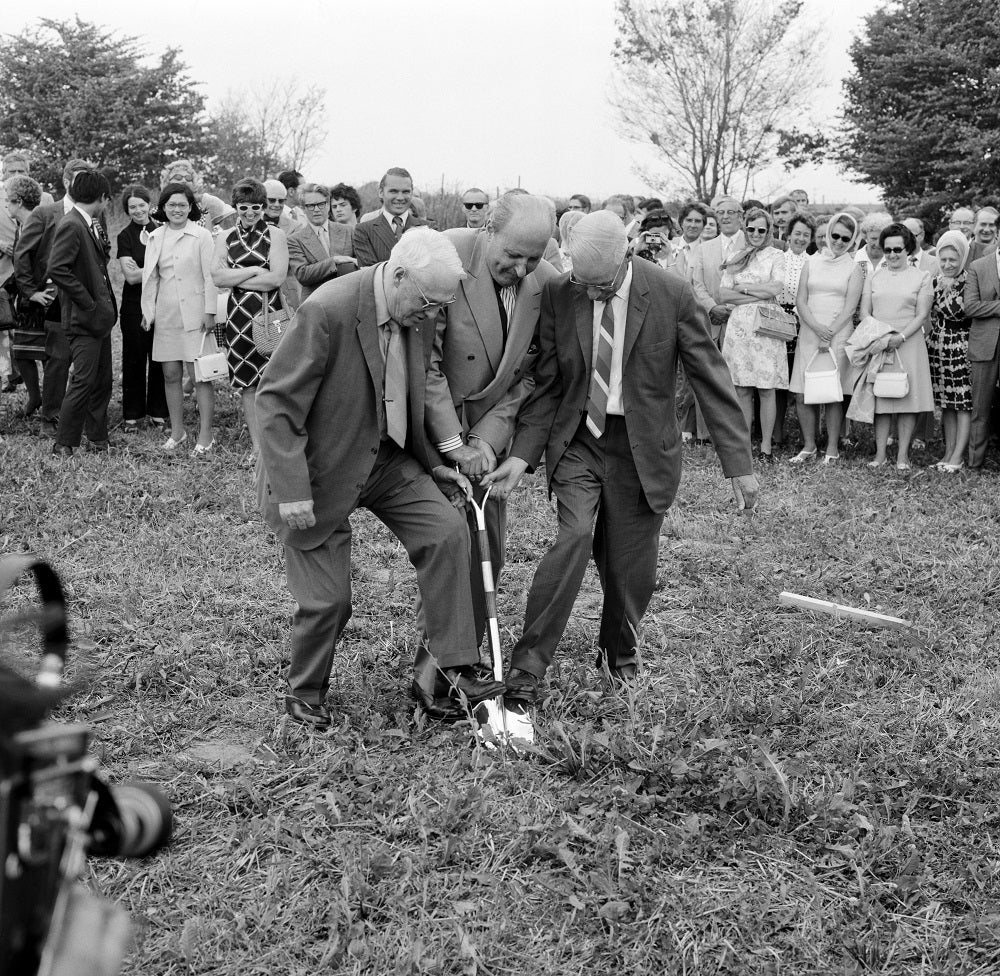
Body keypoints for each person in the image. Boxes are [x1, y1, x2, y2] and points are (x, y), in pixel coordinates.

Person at [480, 211, 757, 705]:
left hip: (641, 448)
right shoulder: (563, 294)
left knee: (630, 567)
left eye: (600, 286)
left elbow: (709, 377)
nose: (589, 295)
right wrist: (523, 456)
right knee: (574, 537)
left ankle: (618, 658)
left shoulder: (670, 293)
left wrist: (737, 462)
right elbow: (547, 385)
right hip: (578, 442)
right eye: (581, 284)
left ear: (626, 255)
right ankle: (526, 667)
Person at [254, 228, 505, 726]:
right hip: (319, 469)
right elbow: (275, 402)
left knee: (447, 531)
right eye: (429, 303)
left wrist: (436, 462)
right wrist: (292, 490)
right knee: (330, 600)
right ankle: (304, 692)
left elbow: (408, 392)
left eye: (441, 306)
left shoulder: (418, 309)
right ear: (400, 275)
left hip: (387, 459)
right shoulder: (328, 309)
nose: (433, 315)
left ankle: (447, 671)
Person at [417, 194, 558, 701]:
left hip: (488, 438)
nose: (520, 268)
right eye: (512, 255)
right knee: (451, 546)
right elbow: (423, 364)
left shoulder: (541, 284)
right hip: (432, 433)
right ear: (488, 229)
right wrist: (455, 444)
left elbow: (524, 377)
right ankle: (435, 672)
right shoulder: (447, 257)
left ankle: (458, 660)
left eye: (534, 258)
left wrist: (487, 440)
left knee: (487, 552)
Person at [211, 179, 290, 464]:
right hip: (238, 317)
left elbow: (277, 278)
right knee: (247, 383)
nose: (250, 213)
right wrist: (257, 268)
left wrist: (240, 276)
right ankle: (257, 446)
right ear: (235, 207)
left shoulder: (275, 234)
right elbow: (218, 278)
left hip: (269, 315)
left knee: (275, 379)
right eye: (244, 207)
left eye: (256, 207)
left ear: (263, 207)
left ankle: (277, 442)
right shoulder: (225, 237)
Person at [12, 158, 93, 435]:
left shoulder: (94, 213)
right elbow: (22, 254)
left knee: (83, 359)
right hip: (54, 299)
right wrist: (31, 292)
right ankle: (51, 418)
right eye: (78, 179)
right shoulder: (46, 213)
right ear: (67, 181)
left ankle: (80, 414)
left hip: (86, 298)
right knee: (57, 359)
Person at [141, 182, 218, 455]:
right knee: (170, 374)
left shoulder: (201, 236)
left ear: (191, 208)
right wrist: (148, 313)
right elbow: (151, 279)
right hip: (166, 315)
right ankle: (178, 432)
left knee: (199, 377)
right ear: (163, 208)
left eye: (182, 205)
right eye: (171, 205)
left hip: (197, 316)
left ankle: (206, 435)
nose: (177, 209)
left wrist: (210, 311)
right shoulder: (155, 236)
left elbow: (211, 276)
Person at [47, 170, 117, 458]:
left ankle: (98, 438)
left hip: (99, 319)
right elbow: (57, 269)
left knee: (102, 380)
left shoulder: (90, 222)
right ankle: (63, 443)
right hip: (83, 319)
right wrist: (87, 302)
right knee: (83, 381)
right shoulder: (72, 225)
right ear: (101, 197)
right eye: (106, 198)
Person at [789, 213, 864, 464]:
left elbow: (850, 307)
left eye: (845, 238)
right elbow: (801, 300)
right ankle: (809, 445)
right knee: (803, 391)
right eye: (835, 235)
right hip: (810, 331)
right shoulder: (811, 262)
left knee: (834, 392)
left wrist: (829, 332)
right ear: (828, 233)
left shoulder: (854, 267)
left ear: (852, 240)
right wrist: (816, 328)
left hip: (838, 334)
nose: (839, 241)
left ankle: (832, 446)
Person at [859, 222, 934, 470]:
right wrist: (881, 338)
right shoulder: (874, 276)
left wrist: (899, 337)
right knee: (881, 400)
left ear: (908, 249)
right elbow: (864, 311)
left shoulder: (922, 277)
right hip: (880, 343)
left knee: (908, 400)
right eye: (888, 249)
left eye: (897, 250)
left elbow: (922, 314)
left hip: (909, 343)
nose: (891, 255)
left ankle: (902, 456)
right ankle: (880, 454)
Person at [717, 208, 788, 461]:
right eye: (751, 229)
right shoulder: (735, 257)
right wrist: (758, 291)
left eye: (761, 230)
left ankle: (766, 445)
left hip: (765, 327)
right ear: (744, 229)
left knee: (767, 388)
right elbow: (724, 294)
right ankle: (745, 444)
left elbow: (776, 287)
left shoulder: (776, 256)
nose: (756, 234)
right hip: (739, 328)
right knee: (743, 387)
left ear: (768, 231)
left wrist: (743, 288)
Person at [116, 184, 167, 430]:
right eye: (132, 207)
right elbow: (131, 277)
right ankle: (132, 415)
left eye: (141, 205)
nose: (138, 210)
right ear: (127, 210)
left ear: (150, 205)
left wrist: (144, 269)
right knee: (134, 359)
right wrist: (158, 269)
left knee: (159, 357)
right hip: (134, 305)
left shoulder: (163, 231)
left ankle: (158, 412)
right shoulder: (124, 236)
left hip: (161, 303)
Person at [927, 231, 973, 472]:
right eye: (942, 259)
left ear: (962, 258)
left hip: (961, 345)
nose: (947, 264)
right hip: (938, 345)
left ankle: (958, 456)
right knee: (946, 403)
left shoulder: (970, 281)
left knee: (962, 402)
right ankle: (948, 452)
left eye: (952, 260)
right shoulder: (934, 281)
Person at [4, 175, 48, 417]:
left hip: (39, 299)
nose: (5, 205)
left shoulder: (37, 223)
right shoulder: (21, 226)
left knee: (45, 354)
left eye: (7, 200)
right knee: (21, 352)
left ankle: (50, 402)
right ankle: (35, 396)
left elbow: (42, 263)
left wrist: (35, 292)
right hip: (25, 298)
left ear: (18, 201)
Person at [774, 212, 815, 450]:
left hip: (804, 325)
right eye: (797, 233)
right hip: (778, 323)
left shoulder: (813, 262)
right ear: (789, 235)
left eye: (805, 235)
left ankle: (806, 436)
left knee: (802, 383)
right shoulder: (778, 259)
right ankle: (777, 434)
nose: (800, 239)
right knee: (779, 382)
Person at [963, 238, 1000, 470]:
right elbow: (971, 307)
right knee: (981, 407)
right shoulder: (978, 266)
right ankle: (975, 464)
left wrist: (991, 306)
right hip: (985, 344)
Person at [287, 182, 356, 301]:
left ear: (328, 205)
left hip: (349, 300)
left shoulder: (349, 231)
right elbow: (303, 275)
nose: (317, 209)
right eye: (311, 206)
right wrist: (334, 261)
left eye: (321, 204)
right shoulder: (294, 240)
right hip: (316, 303)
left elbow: (361, 264)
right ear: (303, 209)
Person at [353, 168, 426, 268]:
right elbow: (370, 274)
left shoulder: (428, 228)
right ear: (381, 193)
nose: (400, 197)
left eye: (405, 192)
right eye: (393, 191)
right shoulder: (364, 231)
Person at [159, 160, 235, 231]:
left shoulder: (204, 204)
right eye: (178, 177)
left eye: (188, 178)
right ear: (167, 181)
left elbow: (229, 221)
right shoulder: (156, 211)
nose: (184, 180)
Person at [855, 212, 893, 279]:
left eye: (882, 238)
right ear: (865, 236)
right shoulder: (854, 258)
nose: (878, 243)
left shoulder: (894, 259)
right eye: (873, 239)